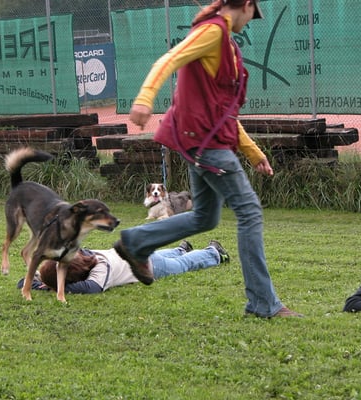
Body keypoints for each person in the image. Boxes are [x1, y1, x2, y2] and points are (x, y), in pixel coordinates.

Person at [112, 0, 302, 317]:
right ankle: (263, 303)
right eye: (252, 15)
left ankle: (135, 241)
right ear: (246, 5)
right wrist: (144, 99)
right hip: (207, 146)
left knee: (205, 217)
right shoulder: (213, 33)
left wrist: (252, 152)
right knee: (250, 212)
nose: (249, 21)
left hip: (201, 142)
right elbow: (169, 59)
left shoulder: (224, 43)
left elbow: (221, 112)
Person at [17, 240, 230, 294]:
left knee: (182, 265)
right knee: (165, 256)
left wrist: (56, 288)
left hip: (149, 266)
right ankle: (180, 249)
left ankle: (213, 252)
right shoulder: (85, 255)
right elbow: (21, 282)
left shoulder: (101, 271)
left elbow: (92, 289)